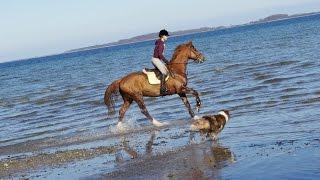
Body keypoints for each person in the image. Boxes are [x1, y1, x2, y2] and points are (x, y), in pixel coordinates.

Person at [143, 29, 170, 95]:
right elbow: (160, 55)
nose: (167, 37)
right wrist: (166, 61)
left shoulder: (159, 42)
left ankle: (151, 71)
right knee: (164, 72)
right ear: (163, 36)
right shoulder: (161, 43)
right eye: (166, 35)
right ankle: (162, 89)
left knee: (166, 69)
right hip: (156, 59)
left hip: (156, 59)